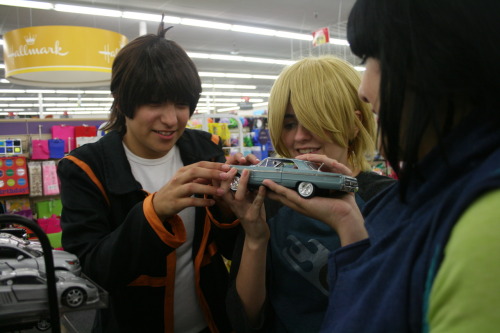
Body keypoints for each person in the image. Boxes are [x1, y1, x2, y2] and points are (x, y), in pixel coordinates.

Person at [251, 0, 500, 332]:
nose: (364, 91)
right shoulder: (429, 195)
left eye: (373, 61)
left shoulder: (480, 218)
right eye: (289, 123)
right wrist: (349, 225)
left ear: (434, 64)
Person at [57, 22, 240, 333]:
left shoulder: (205, 149)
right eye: (154, 103)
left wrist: (232, 207)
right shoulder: (85, 168)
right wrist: (154, 211)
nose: (171, 119)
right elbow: (93, 269)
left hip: (213, 320)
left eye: (182, 104)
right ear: (123, 101)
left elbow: (230, 249)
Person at [223, 56, 395, 332]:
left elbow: (394, 312)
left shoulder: (391, 201)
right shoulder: (271, 200)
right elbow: (247, 320)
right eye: (289, 124)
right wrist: (255, 236)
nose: (300, 137)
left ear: (353, 124)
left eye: (315, 120)